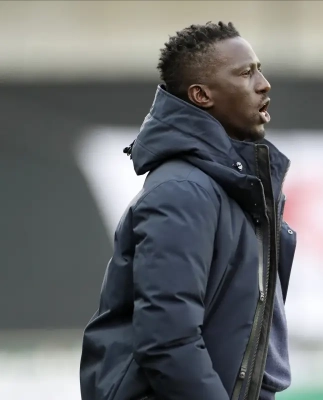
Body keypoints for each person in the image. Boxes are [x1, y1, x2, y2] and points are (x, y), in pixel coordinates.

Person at [79, 22, 296, 400]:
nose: (264, 84)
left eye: (259, 70)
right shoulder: (183, 191)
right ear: (201, 95)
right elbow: (167, 341)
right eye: (246, 73)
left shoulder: (232, 187)